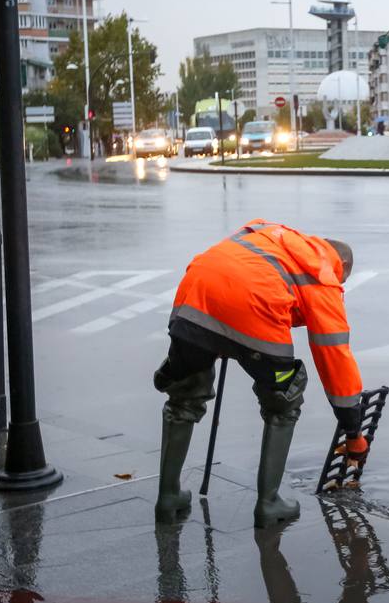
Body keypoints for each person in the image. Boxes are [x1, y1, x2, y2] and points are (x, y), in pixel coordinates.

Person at [152, 219, 367, 527]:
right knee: (284, 397)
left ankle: (168, 496)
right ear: (342, 263)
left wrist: (222, 336)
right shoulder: (322, 274)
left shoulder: (272, 236)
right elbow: (335, 358)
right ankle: (269, 504)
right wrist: (352, 430)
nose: (340, 282)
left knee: (184, 395)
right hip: (255, 309)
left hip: (194, 295)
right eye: (343, 277)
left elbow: (230, 269)